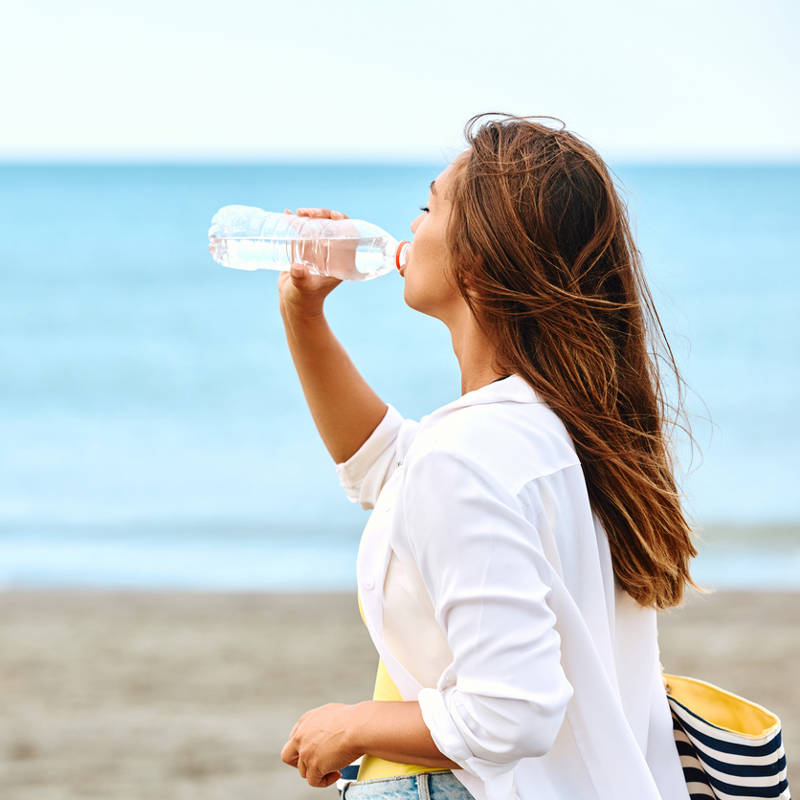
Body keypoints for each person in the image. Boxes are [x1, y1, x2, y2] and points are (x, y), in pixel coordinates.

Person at [278, 113, 704, 800]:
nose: (411, 227)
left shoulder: (471, 455)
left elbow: (511, 713)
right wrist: (304, 315)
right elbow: (388, 469)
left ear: (480, 256)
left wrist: (354, 725)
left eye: (429, 206)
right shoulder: (565, 430)